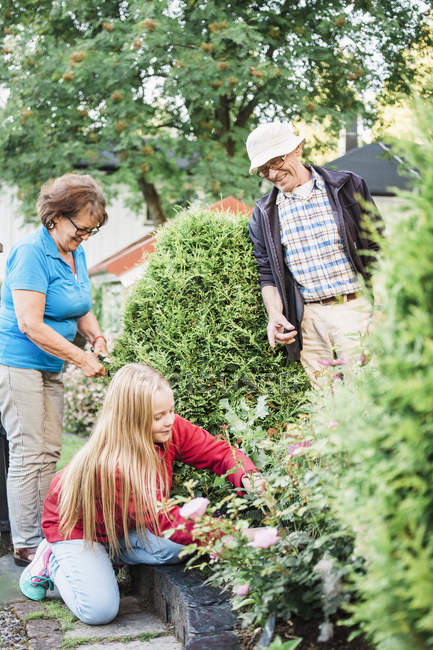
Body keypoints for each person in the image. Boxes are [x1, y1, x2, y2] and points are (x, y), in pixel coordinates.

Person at [19, 364, 265, 624]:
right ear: (132, 418)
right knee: (100, 611)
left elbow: (219, 452)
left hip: (122, 525)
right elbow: (165, 522)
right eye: (158, 416)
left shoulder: (170, 429)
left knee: (181, 548)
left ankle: (106, 557)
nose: (169, 420)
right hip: (76, 529)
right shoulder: (115, 464)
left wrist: (249, 476)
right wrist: (235, 533)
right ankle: (51, 562)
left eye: (170, 410)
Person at [0, 173, 109, 566]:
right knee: (29, 451)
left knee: (49, 450)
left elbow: (79, 306)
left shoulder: (73, 252)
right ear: (55, 217)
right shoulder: (31, 251)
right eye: (81, 229)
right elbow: (30, 323)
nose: (84, 238)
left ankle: (46, 531)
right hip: (18, 361)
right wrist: (81, 358)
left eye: (91, 231)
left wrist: (95, 337)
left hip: (51, 361)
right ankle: (26, 543)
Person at [247, 122, 380, 386]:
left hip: (355, 309)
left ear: (297, 148)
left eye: (275, 161)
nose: (272, 174)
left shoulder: (348, 187)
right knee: (324, 406)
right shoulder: (264, 213)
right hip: (308, 321)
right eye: (264, 170)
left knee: (368, 396)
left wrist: (382, 310)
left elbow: (377, 249)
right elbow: (267, 276)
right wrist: (275, 314)